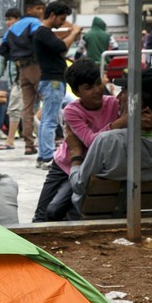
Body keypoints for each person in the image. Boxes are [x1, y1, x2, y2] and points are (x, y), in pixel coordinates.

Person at [68, 68, 152, 211]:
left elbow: (79, 186)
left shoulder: (106, 141)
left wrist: (75, 155)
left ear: (134, 98)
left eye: (123, 90)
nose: (117, 97)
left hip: (98, 211)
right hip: (143, 211)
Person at [33, 58, 118, 221]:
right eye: (88, 87)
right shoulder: (72, 111)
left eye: (98, 83)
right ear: (77, 92)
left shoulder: (114, 104)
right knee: (41, 214)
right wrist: (116, 124)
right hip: (64, 163)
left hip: (84, 167)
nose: (97, 90)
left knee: (55, 209)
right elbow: (91, 142)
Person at [33, 1, 82, 169]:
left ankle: (43, 155)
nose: (62, 22)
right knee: (49, 119)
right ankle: (46, 156)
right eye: (61, 18)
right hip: (52, 81)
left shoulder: (46, 34)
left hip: (53, 81)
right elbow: (61, 46)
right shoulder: (43, 32)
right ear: (52, 15)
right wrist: (74, 32)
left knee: (54, 114)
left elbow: (60, 51)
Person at [0, 0, 45, 156]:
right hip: (36, 67)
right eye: (38, 9)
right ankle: (53, 139)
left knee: (26, 108)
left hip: (22, 71)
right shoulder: (35, 23)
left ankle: (28, 144)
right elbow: (39, 39)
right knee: (49, 102)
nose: (41, 12)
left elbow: (3, 50)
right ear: (29, 10)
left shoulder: (12, 29)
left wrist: (16, 59)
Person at [0, 8, 23, 150]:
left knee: (15, 109)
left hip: (23, 78)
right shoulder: (8, 36)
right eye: (6, 19)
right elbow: (3, 59)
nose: (8, 22)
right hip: (17, 79)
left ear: (18, 19)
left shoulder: (22, 35)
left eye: (11, 19)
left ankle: (10, 141)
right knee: (25, 111)